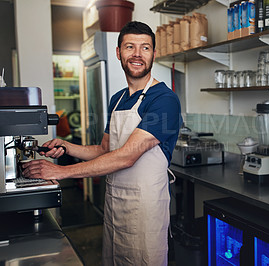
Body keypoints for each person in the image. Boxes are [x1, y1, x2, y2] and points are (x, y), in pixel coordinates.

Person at [23, 21, 182, 265]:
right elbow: (105, 150)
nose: (138, 54)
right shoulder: (117, 99)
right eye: (130, 47)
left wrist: (62, 171)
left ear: (154, 53)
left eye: (145, 48)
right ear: (119, 53)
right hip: (115, 205)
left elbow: (126, 156)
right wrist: (67, 147)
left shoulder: (164, 100)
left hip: (145, 211)